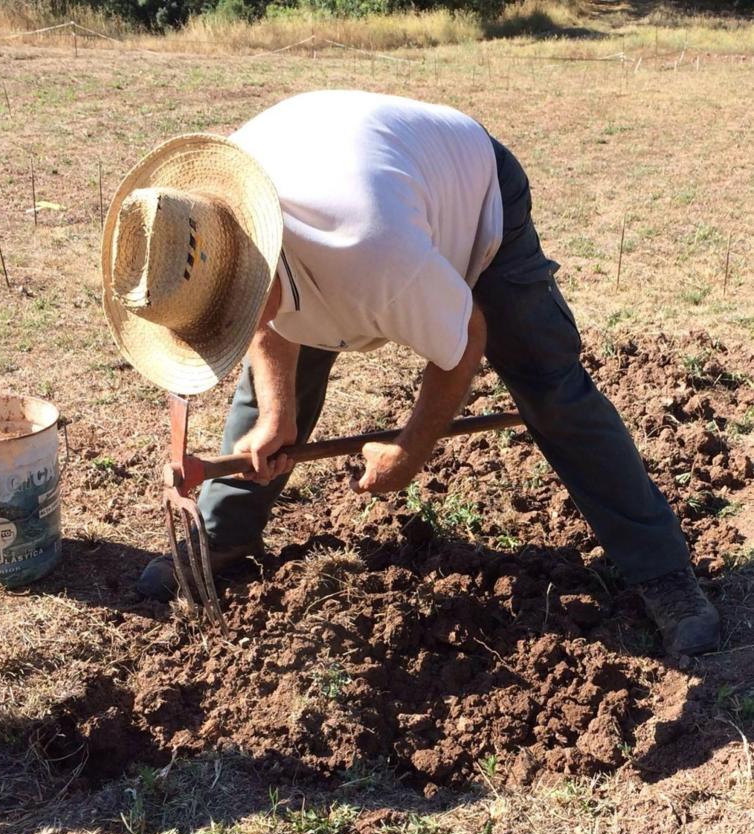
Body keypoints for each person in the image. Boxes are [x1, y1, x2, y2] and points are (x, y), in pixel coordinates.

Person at [102, 89, 719, 656]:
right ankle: (223, 533)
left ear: (257, 264)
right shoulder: (214, 212)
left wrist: (410, 450)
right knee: (269, 394)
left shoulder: (373, 256)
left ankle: (663, 570)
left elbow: (466, 335)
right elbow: (262, 318)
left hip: (470, 192)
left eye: (229, 318)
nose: (232, 332)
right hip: (349, 186)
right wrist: (275, 415)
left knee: (549, 387)